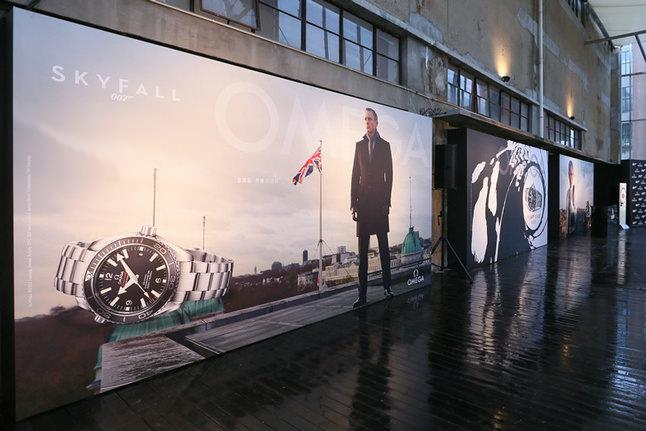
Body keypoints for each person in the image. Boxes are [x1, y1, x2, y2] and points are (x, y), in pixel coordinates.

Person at [350, 108, 393, 308]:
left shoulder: (385, 146)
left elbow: (389, 176)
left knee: (384, 248)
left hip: (380, 204)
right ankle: (362, 296)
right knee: (362, 252)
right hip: (364, 205)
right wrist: (353, 203)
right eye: (365, 119)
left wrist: (387, 202)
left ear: (376, 122)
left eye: (370, 119)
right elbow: (354, 176)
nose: (367, 122)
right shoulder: (358, 146)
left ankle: (387, 288)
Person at [566, 160, 576, 235]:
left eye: (571, 174)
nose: (570, 176)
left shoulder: (575, 189)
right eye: (569, 174)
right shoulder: (568, 192)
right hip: (570, 225)